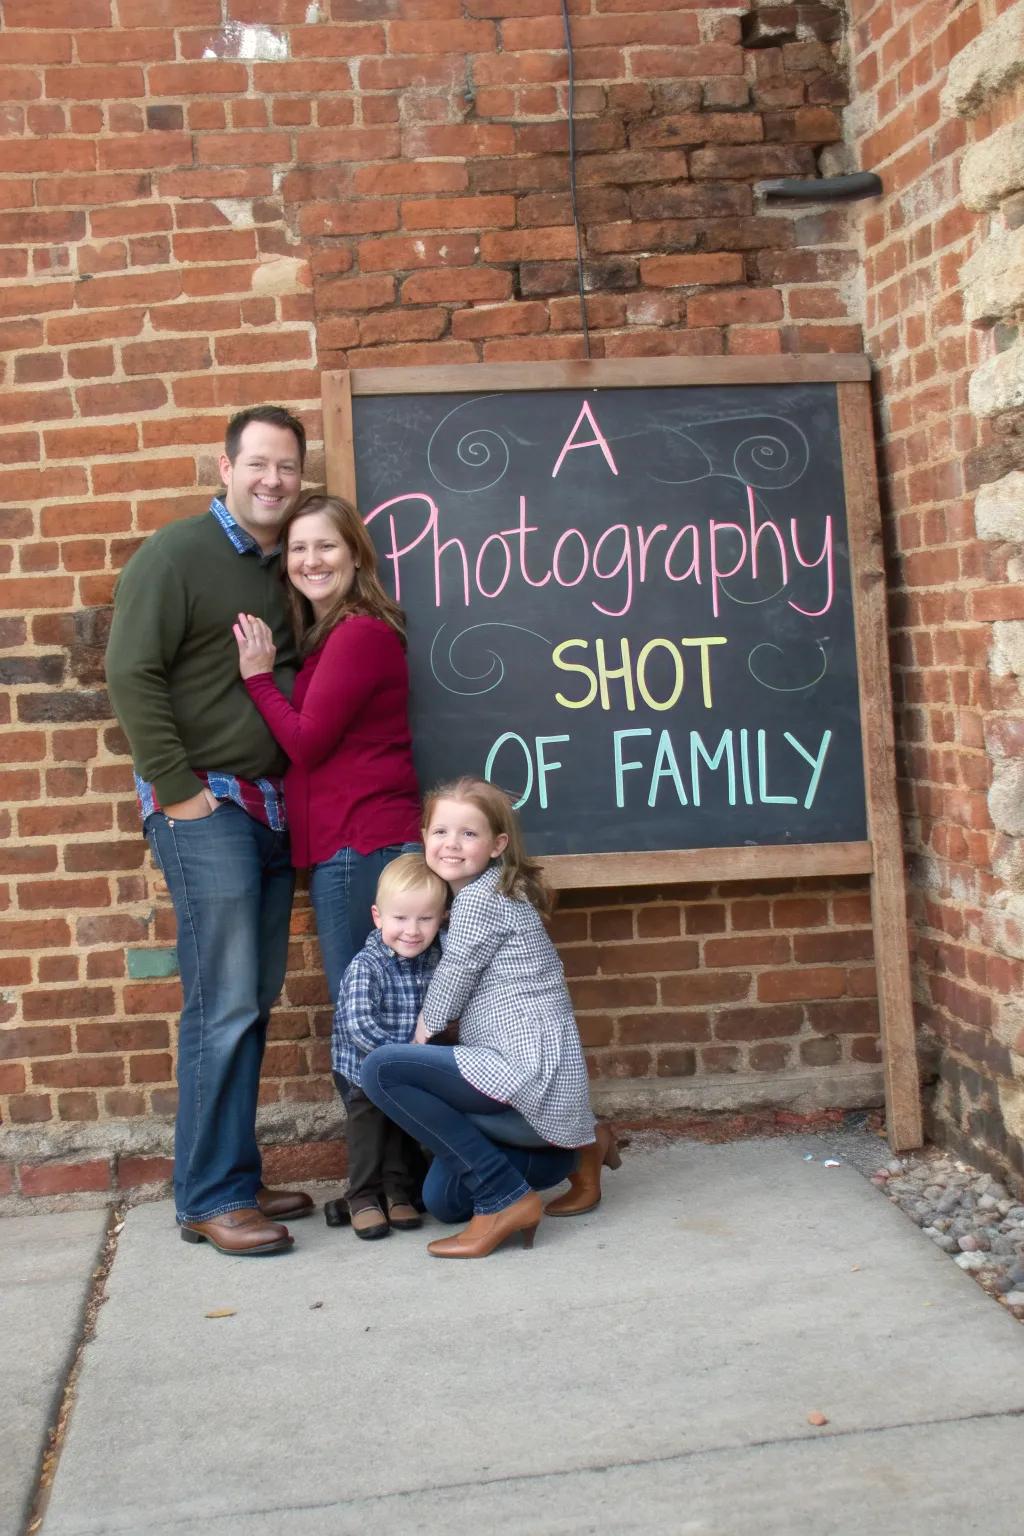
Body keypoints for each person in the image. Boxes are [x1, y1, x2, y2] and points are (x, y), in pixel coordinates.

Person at [105, 405, 315, 1258]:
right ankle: (209, 1197)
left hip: (269, 810)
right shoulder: (176, 554)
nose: (272, 480)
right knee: (222, 1003)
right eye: (257, 464)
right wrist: (180, 792)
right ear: (223, 469)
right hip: (210, 809)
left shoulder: (287, 567)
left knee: (251, 1001)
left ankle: (231, 1170)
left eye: (287, 467)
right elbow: (130, 671)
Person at [360, 777, 621, 1260]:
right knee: (446, 1200)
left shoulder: (484, 898)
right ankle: (578, 1150)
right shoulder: (479, 894)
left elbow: (454, 977)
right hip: (522, 1076)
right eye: (440, 832)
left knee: (382, 1069)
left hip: (525, 1072)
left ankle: (505, 1199)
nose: (451, 845)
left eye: (469, 834)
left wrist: (418, 1041)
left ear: (498, 844)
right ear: (423, 837)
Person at [232, 493, 422, 1010]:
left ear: (356, 554)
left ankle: (380, 1096)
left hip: (362, 846)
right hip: (354, 847)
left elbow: (306, 742)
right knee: (379, 1012)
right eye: (298, 548)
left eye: (326, 546)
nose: (311, 560)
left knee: (366, 1016)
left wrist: (258, 679)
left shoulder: (357, 634)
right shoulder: (330, 637)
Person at [328, 853, 446, 1240]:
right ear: (378, 917)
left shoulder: (435, 960)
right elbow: (359, 1026)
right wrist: (399, 1061)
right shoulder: (367, 966)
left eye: (425, 919)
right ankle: (362, 1195)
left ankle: (397, 1193)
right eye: (400, 918)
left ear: (441, 918)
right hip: (364, 1066)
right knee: (371, 1122)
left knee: (403, 1124)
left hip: (408, 1067)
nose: (412, 930)